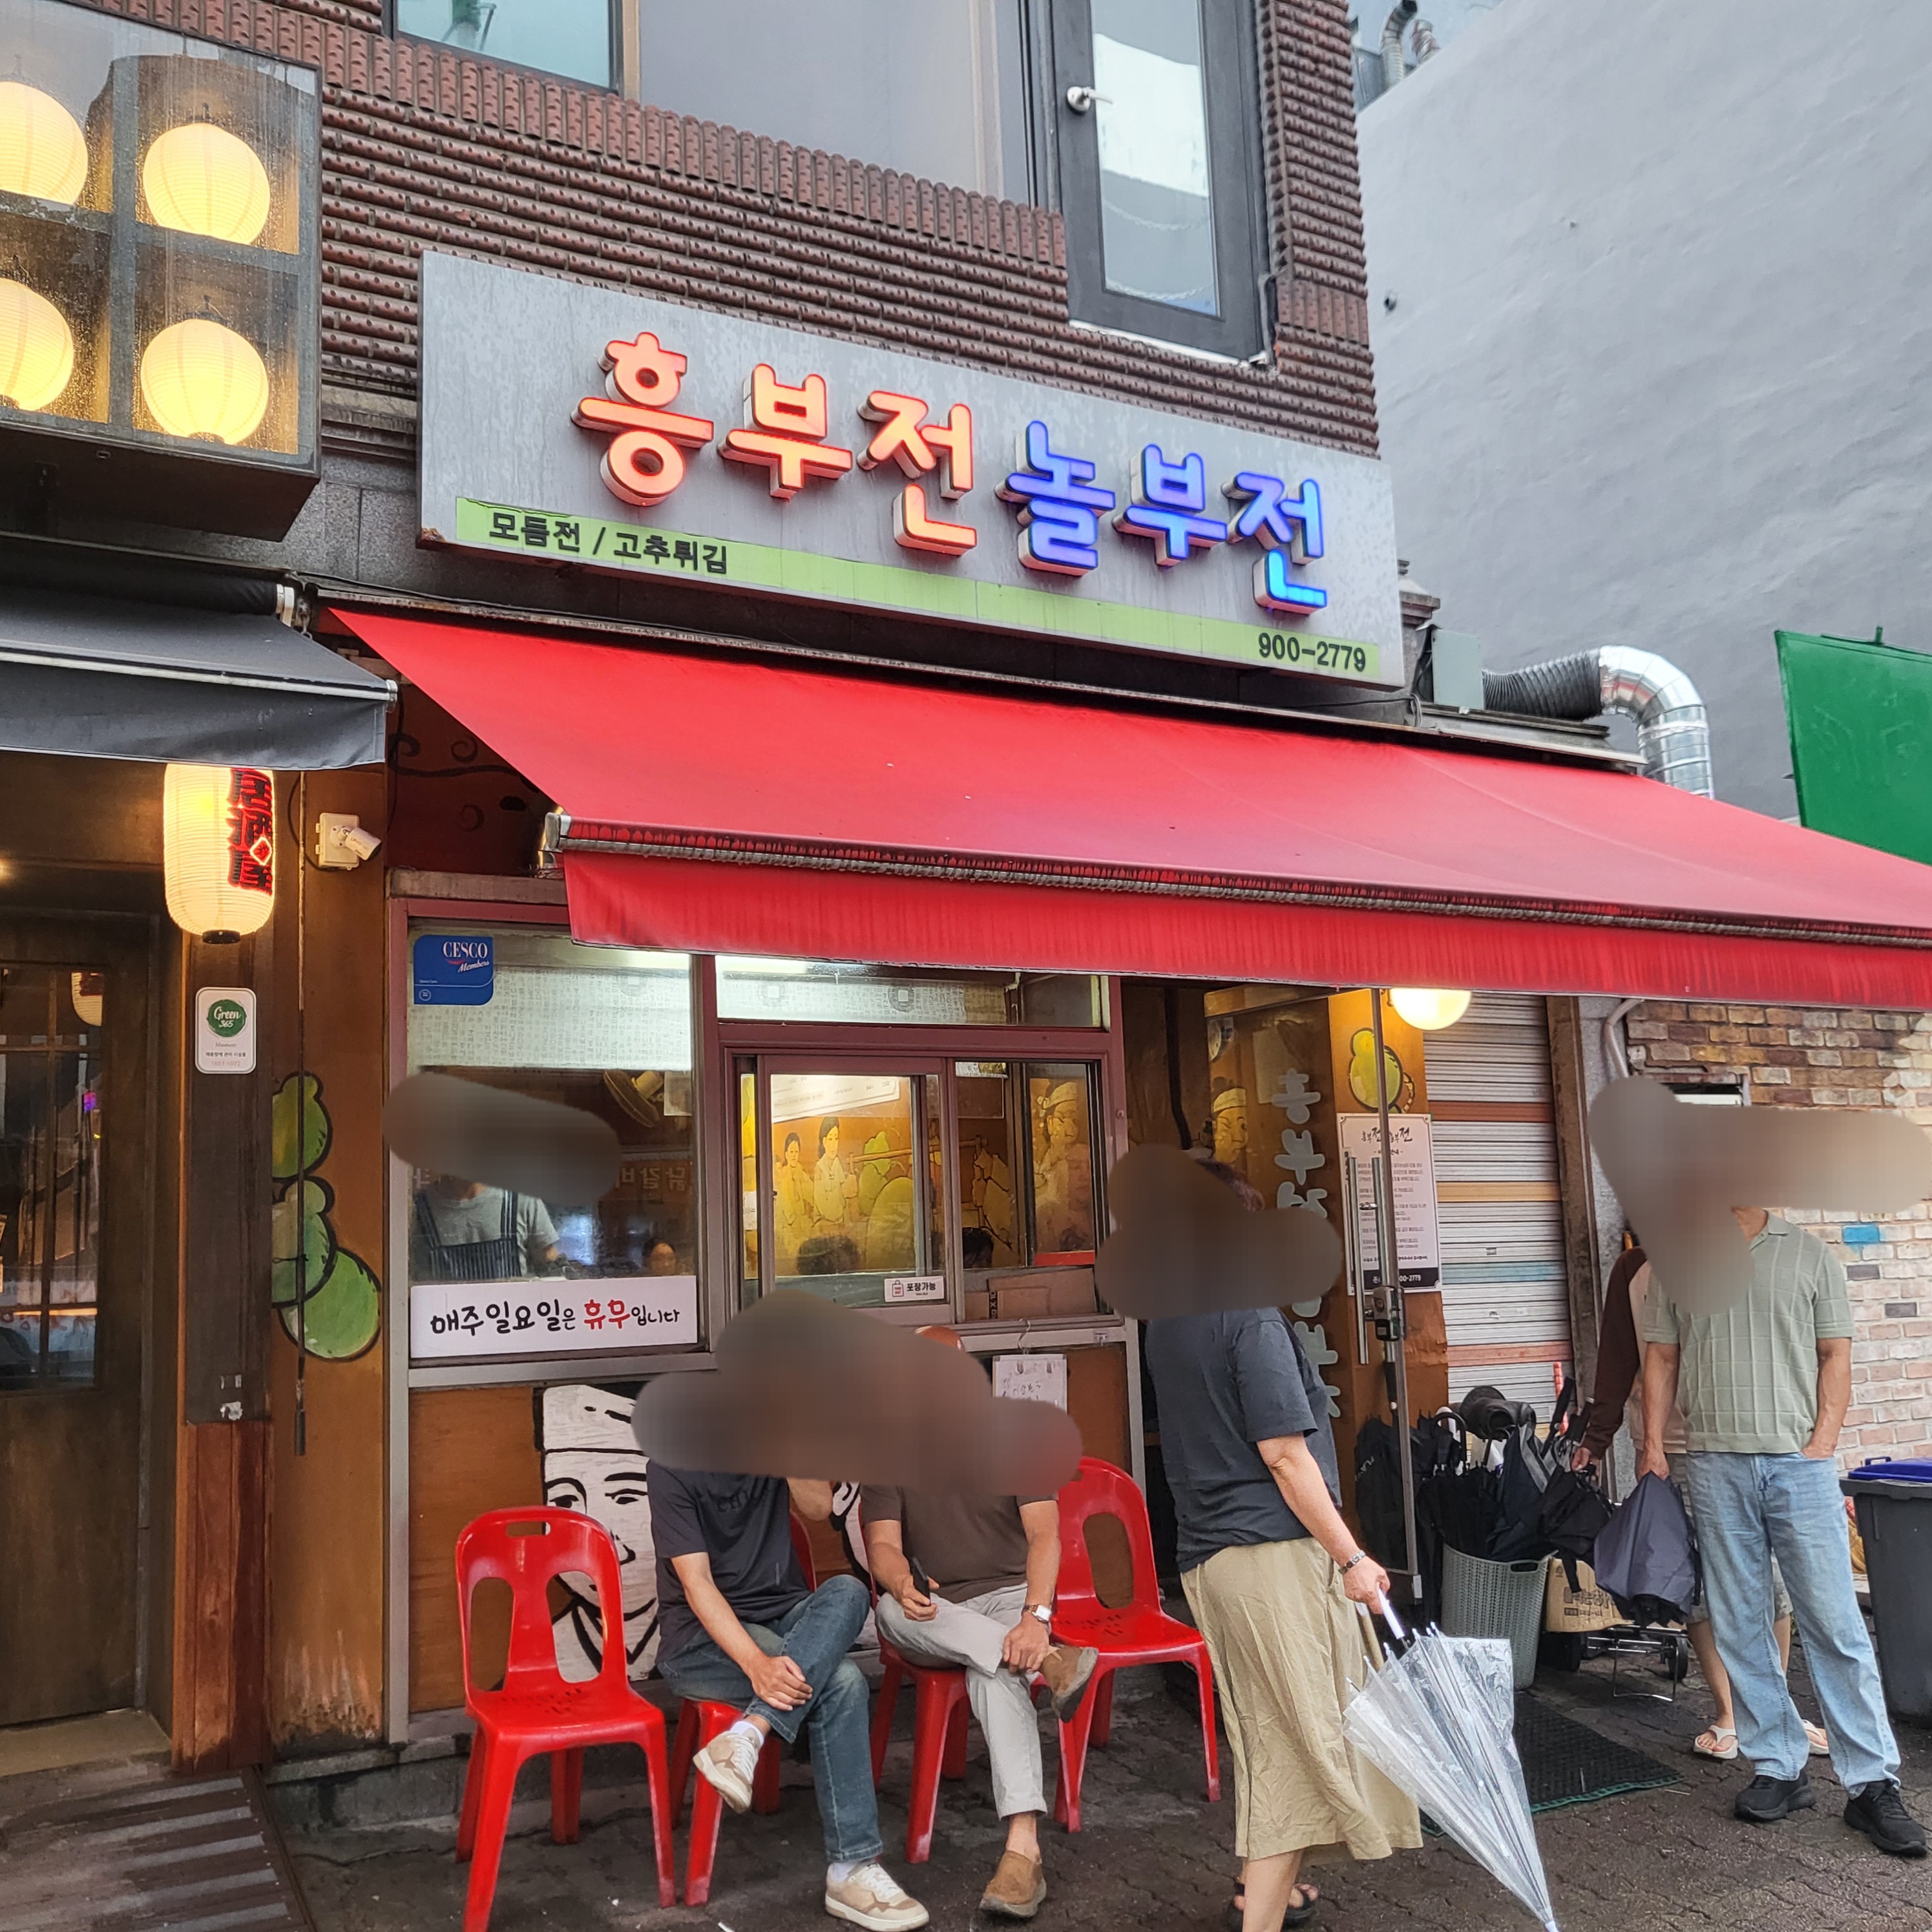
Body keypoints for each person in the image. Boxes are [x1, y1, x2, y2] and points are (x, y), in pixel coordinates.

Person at [1144, 1162, 1421, 1932]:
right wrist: (1351, 1557)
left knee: (1274, 1729)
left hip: (1209, 1557)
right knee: (1298, 1748)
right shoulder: (1250, 1317)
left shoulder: (1167, 1316)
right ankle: (1258, 1915)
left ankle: (1265, 1887)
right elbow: (1284, 1454)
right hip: (1269, 1554)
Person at [1638, 1208, 1926, 1857]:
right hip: (1713, 1462)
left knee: (1834, 1623)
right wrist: (1651, 1445)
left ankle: (1871, 1783)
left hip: (1798, 1466)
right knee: (1740, 1620)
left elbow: (1834, 1354)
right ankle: (1777, 1766)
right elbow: (1660, 1355)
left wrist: (1822, 1440)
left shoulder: (1810, 1255)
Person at [862, 1325, 1100, 1920]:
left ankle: (1022, 1852)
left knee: (993, 1673)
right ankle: (1052, 1661)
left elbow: (1045, 1537)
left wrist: (1036, 1617)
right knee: (890, 1610)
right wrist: (900, 1581)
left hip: (1010, 1600)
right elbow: (883, 1547)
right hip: (936, 1611)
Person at [649, 1465, 932, 1929]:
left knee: (850, 1591)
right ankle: (852, 1868)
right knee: (842, 1681)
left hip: (782, 1614)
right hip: (699, 1641)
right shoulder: (671, 1467)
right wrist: (756, 1664)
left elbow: (819, 1508)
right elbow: (697, 1585)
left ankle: (749, 1733)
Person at [1577, 1244, 1827, 1763]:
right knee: (1695, 1581)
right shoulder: (1636, 1269)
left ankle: (1775, 1710)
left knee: (1769, 1577)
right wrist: (1599, 1439)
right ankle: (1730, 1713)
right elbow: (1619, 1359)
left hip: (1753, 1444)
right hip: (1673, 1450)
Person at [409, 1174, 560, 1281]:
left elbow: (550, 1265)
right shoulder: (416, 1210)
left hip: (513, 1315)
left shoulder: (520, 1198)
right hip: (445, 1316)